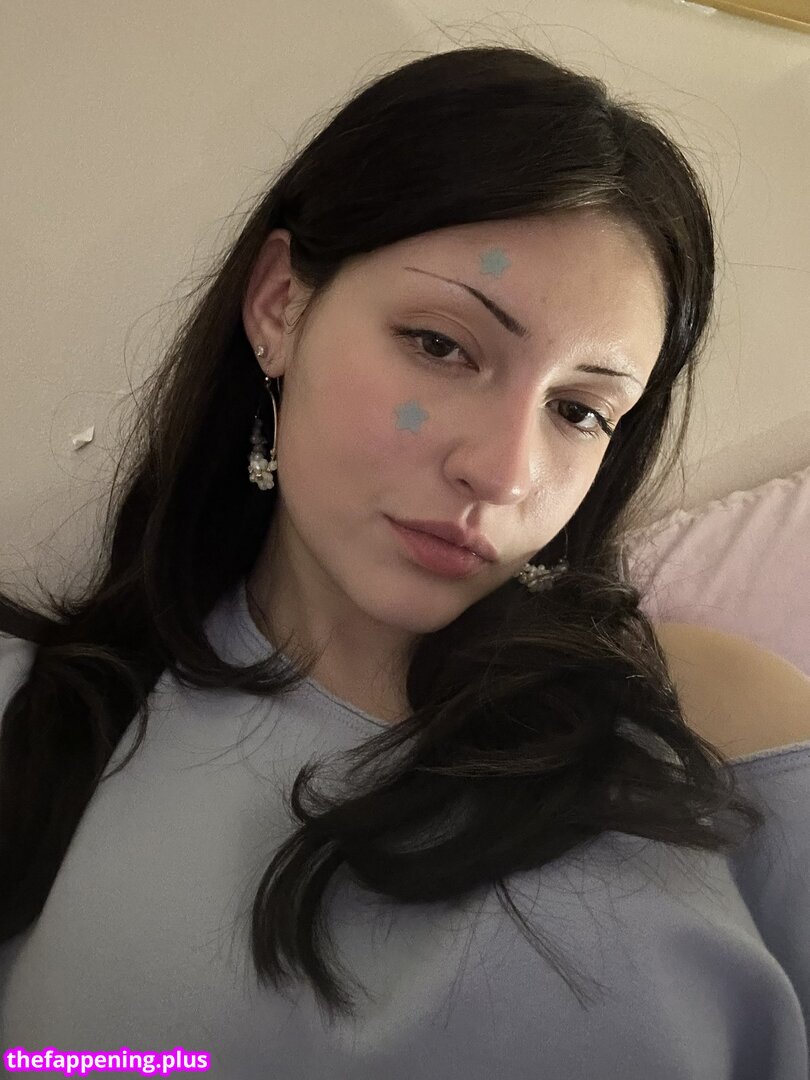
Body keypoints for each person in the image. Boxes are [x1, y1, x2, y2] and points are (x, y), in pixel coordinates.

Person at [0, 44, 808, 1078]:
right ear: (280, 306)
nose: (505, 472)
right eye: (441, 345)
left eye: (579, 410)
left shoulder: (724, 726)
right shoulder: (46, 724)